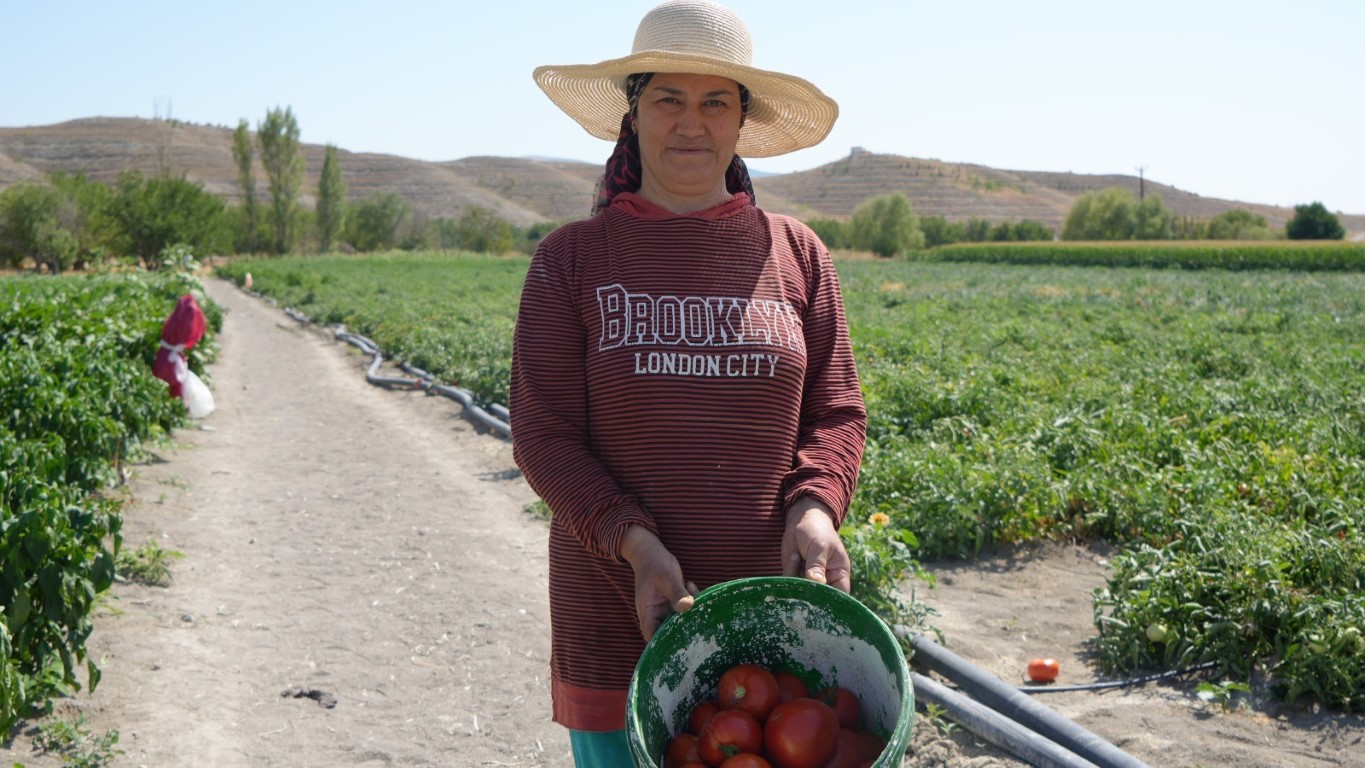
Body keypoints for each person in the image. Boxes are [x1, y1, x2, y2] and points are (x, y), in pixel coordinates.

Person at [511, 1, 866, 764]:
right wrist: (635, 545)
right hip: (618, 611)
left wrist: (814, 510)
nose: (690, 122)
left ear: (741, 123)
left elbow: (835, 413)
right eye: (668, 99)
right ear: (632, 116)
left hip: (765, 623)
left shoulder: (797, 255)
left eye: (716, 101)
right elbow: (542, 435)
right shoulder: (571, 259)